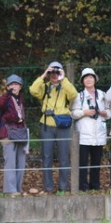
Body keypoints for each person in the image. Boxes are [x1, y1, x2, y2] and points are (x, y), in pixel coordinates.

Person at [29, 61, 78, 194]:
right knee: (46, 157)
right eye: (52, 72)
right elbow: (33, 90)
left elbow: (73, 94)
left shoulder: (66, 87)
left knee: (64, 157)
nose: (54, 75)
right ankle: (48, 187)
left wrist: (64, 79)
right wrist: (44, 75)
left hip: (63, 125)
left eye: (57, 72)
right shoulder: (45, 87)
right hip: (47, 125)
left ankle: (63, 187)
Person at [71, 68, 111, 191]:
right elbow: (73, 113)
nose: (88, 80)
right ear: (82, 81)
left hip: (99, 133)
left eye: (91, 77)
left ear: (95, 79)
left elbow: (110, 112)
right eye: (86, 78)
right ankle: (83, 186)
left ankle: (95, 185)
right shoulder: (79, 96)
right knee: (82, 162)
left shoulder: (103, 95)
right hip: (84, 134)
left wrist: (105, 113)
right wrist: (84, 112)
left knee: (96, 162)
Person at [0, 74, 29, 195]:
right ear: (7, 86)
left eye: (16, 84)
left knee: (21, 162)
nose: (13, 86)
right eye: (11, 84)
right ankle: (10, 189)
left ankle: (18, 187)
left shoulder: (20, 98)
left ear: (20, 86)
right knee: (10, 162)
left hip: (20, 132)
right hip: (7, 132)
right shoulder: (5, 98)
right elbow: (0, 104)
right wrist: (8, 94)